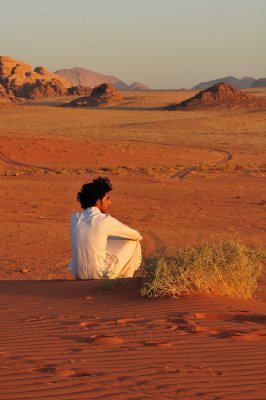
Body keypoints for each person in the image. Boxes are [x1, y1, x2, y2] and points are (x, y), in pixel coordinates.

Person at [68, 177, 142, 279]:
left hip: (78, 274)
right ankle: (126, 279)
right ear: (98, 202)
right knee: (134, 242)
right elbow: (137, 235)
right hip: (100, 274)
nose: (110, 202)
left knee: (102, 240)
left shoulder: (75, 218)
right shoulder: (104, 220)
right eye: (107, 199)